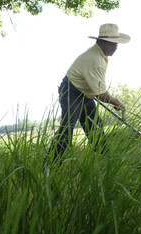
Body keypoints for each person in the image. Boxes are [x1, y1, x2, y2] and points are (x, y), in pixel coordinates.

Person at [46, 23, 130, 166]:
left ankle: (106, 161)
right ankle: (49, 165)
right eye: (113, 44)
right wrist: (117, 102)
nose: (116, 47)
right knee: (67, 128)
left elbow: (97, 90)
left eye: (116, 44)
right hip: (71, 92)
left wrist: (107, 98)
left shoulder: (100, 54)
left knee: (95, 128)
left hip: (86, 93)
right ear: (102, 42)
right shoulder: (95, 59)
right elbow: (101, 94)